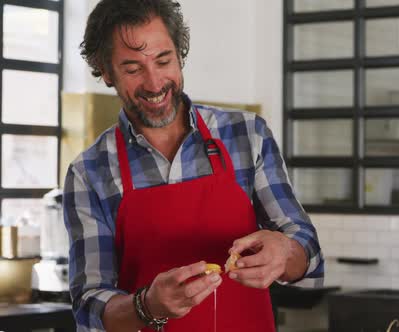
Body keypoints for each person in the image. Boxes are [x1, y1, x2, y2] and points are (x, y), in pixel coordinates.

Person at [63, 1, 324, 331]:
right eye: (132, 69)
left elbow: (309, 253)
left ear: (180, 53)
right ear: (105, 71)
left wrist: (286, 251)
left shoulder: (246, 135)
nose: (155, 83)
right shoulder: (89, 173)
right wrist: (147, 305)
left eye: (164, 60)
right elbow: (89, 307)